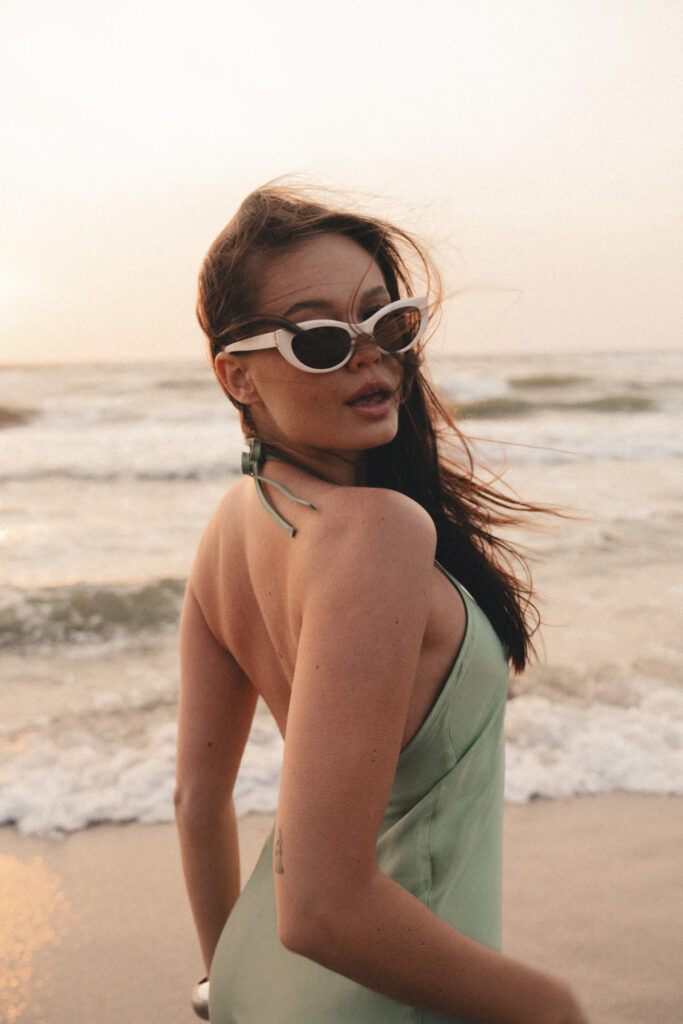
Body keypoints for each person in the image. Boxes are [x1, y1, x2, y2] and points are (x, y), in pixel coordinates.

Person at [175, 183, 589, 1024]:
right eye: (321, 339)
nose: (369, 356)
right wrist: (551, 1007)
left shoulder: (231, 526)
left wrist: (225, 987)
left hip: (258, 987)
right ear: (236, 376)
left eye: (386, 321)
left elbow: (197, 800)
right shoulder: (379, 533)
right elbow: (323, 908)